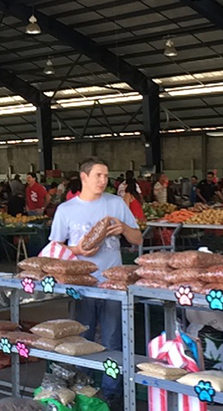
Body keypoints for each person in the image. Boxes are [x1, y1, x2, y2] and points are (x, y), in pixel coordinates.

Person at [49, 157, 142, 409]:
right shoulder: (66, 210)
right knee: (81, 338)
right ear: (84, 177)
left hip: (112, 286)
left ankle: (112, 392)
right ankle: (82, 387)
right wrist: (77, 248)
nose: (104, 180)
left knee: (113, 341)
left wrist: (123, 227)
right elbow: (54, 247)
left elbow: (138, 237)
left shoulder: (116, 204)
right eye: (99, 175)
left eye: (106, 176)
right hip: (80, 285)